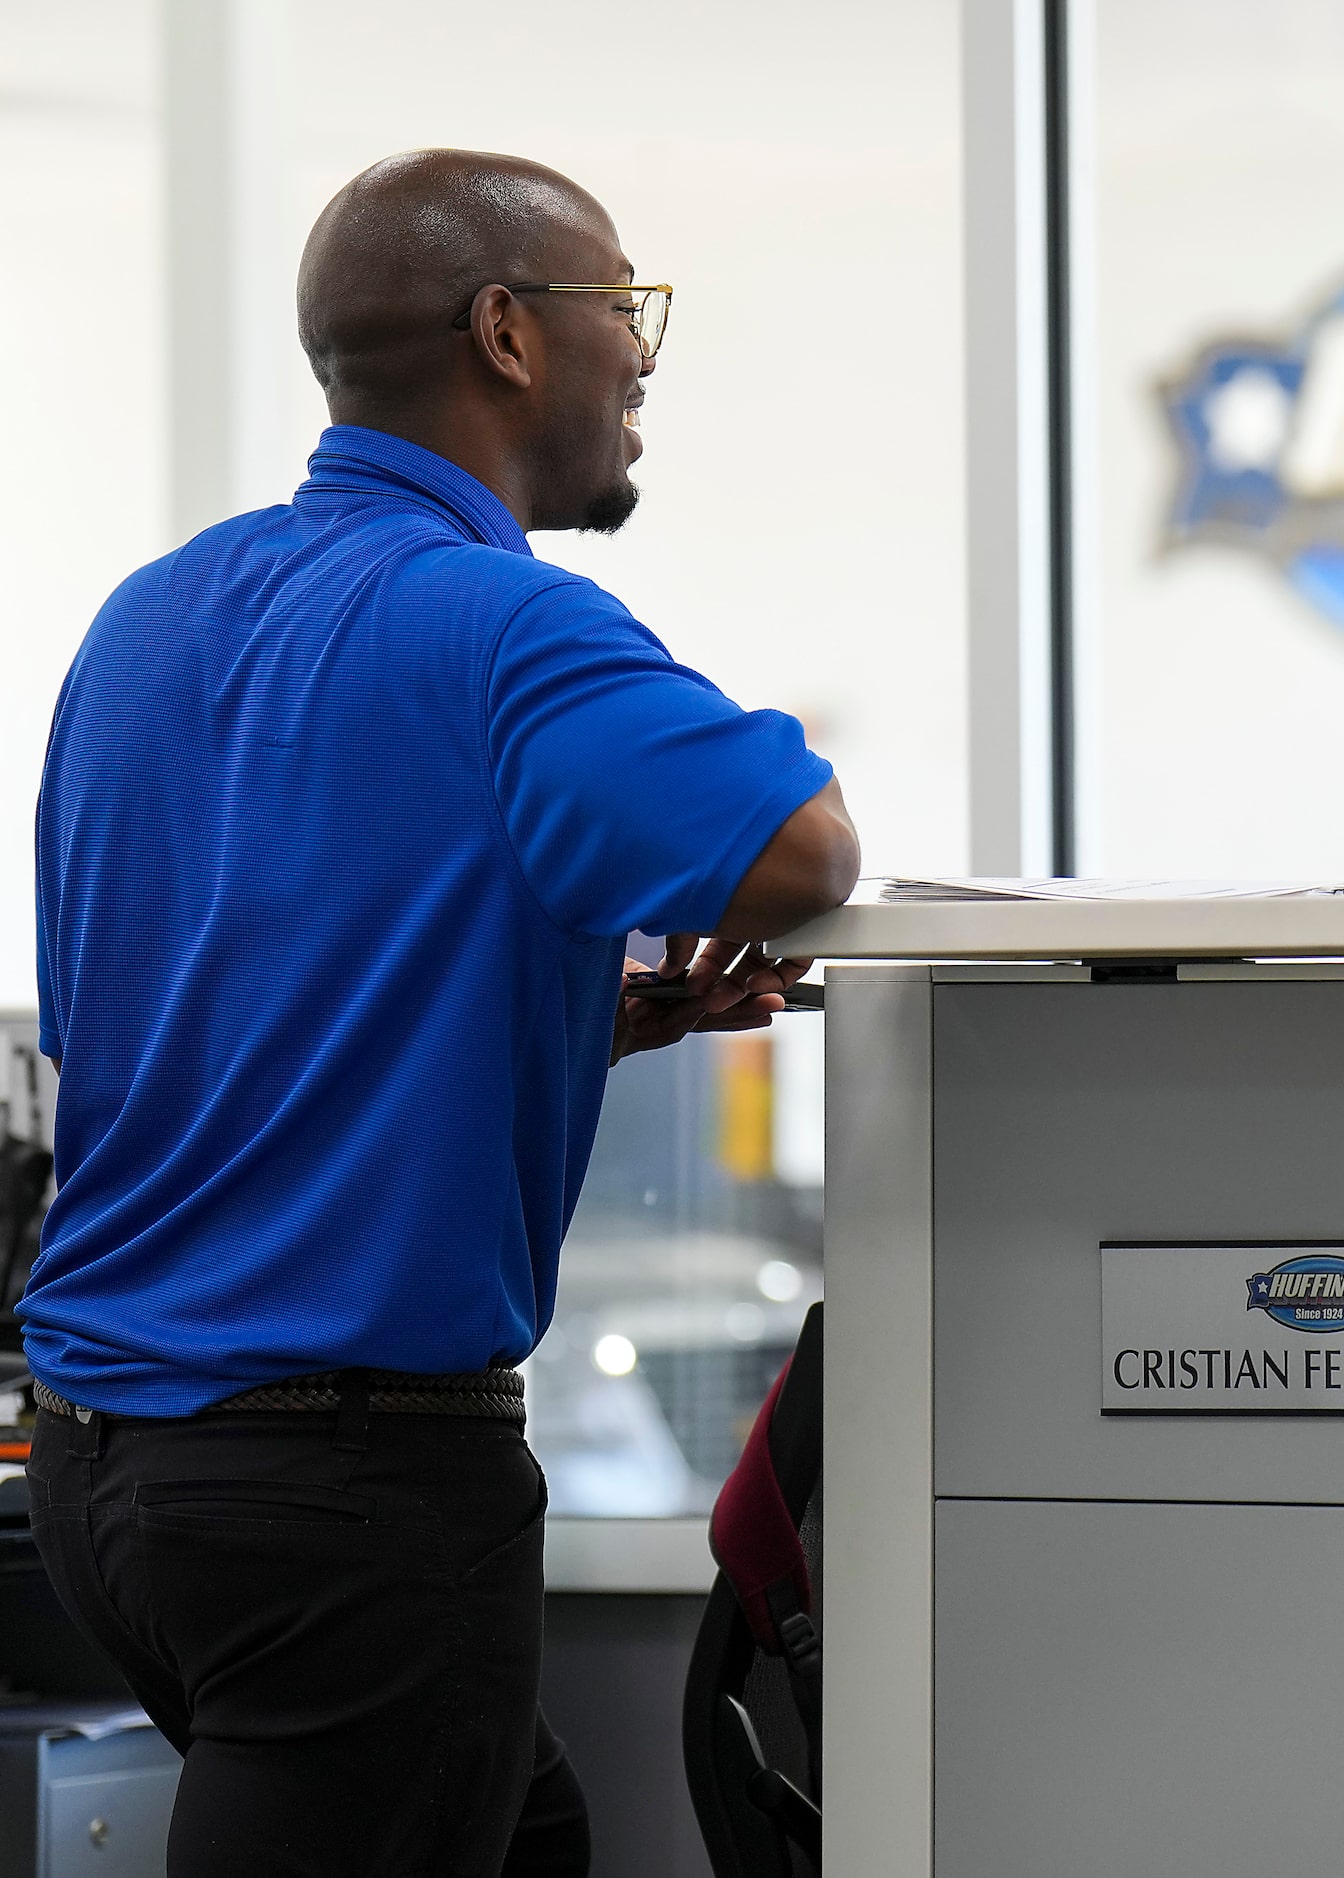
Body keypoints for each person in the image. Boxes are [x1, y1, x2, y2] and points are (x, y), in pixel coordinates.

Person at [25, 149, 859, 1875]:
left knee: (527, 1831)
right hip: (336, 1494)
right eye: (621, 309)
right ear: (508, 333)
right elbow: (800, 851)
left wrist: (578, 1011)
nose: (640, 358)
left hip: (108, 1482)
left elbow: (212, 996)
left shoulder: (150, 622)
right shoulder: (502, 627)